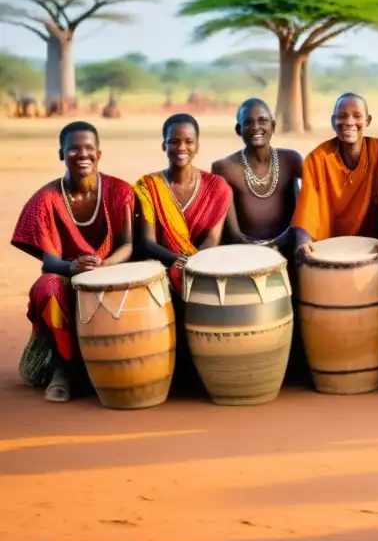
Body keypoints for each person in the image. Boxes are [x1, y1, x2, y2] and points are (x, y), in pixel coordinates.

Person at [10, 122, 135, 402]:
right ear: (61, 154)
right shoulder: (45, 200)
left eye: (89, 148)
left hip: (112, 271)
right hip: (67, 275)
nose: (82, 154)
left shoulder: (120, 191)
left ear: (99, 154)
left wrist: (104, 265)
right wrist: (71, 268)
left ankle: (122, 365)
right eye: (74, 149)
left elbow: (128, 245)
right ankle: (63, 368)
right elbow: (48, 262)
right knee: (48, 287)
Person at [292, 93, 378, 261]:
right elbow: (308, 204)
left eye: (357, 116)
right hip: (329, 242)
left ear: (367, 120)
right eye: (342, 116)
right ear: (333, 121)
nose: (349, 122)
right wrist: (303, 242)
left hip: (373, 242)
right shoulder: (317, 159)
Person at [134, 113, 233, 295]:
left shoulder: (216, 187)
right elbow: (148, 242)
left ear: (197, 146)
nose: (181, 147)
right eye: (174, 141)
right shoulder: (148, 187)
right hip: (161, 268)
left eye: (188, 141)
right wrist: (178, 261)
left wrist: (195, 264)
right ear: (164, 145)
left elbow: (212, 238)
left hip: (203, 265)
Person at [211, 99, 304, 253]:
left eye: (263, 121)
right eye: (248, 122)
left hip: (289, 248)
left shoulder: (291, 160)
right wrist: (259, 249)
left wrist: (290, 239)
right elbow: (233, 235)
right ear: (238, 129)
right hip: (243, 253)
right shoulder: (224, 168)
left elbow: (311, 200)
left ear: (272, 126)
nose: (256, 127)